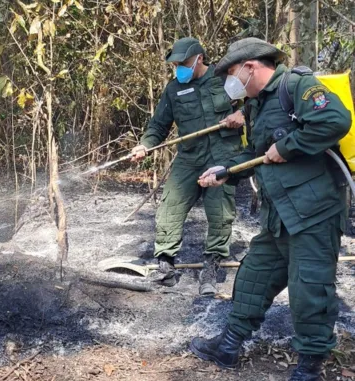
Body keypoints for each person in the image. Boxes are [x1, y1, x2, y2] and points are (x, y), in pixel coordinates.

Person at [191, 37, 351, 381]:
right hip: (279, 212)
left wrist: (290, 145)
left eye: (231, 74)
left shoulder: (298, 86)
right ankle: (229, 346)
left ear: (251, 67)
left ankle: (310, 367)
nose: (229, 84)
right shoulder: (256, 105)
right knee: (253, 278)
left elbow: (336, 120)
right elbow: (259, 153)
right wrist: (225, 170)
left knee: (309, 290)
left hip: (314, 212)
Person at [131, 37, 245, 294]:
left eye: (184, 63)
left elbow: (257, 102)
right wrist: (145, 145)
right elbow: (159, 125)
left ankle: (211, 267)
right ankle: (166, 267)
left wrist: (243, 114)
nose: (179, 68)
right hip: (189, 157)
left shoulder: (226, 79)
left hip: (222, 155)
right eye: (176, 65)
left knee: (219, 213)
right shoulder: (173, 90)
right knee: (170, 205)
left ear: (200, 59)